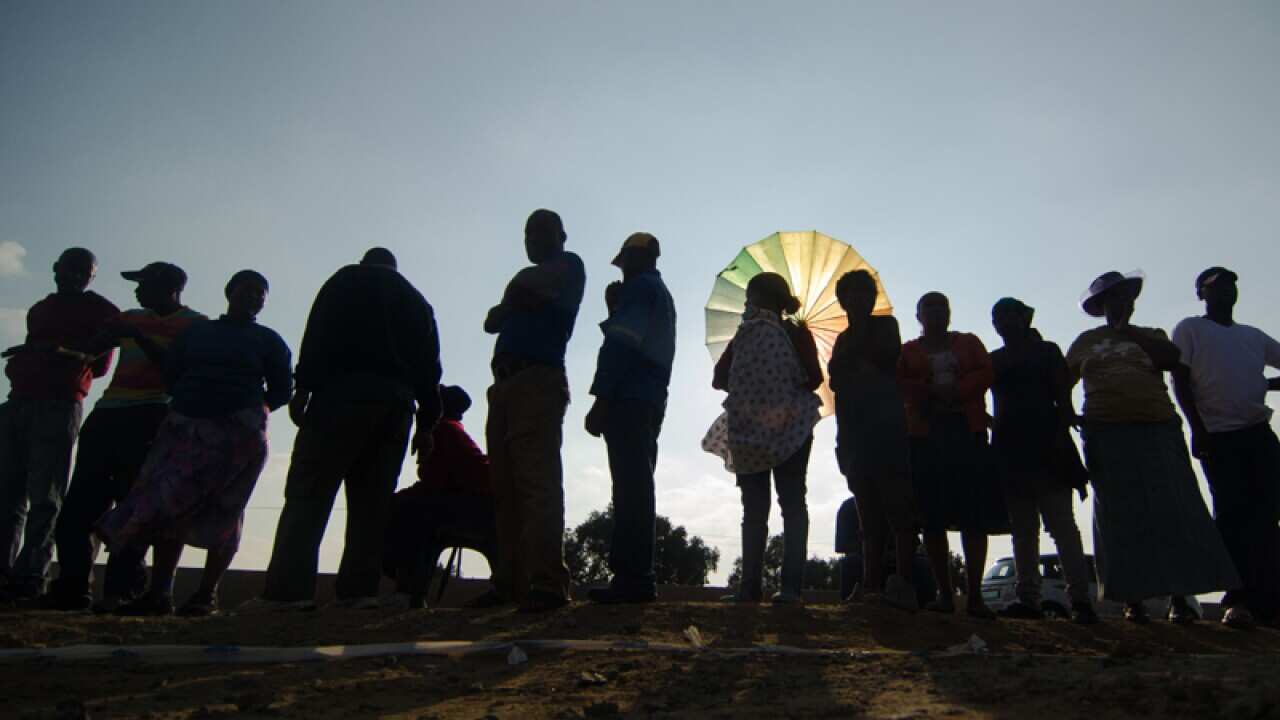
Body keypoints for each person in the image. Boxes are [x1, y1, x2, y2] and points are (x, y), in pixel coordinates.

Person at [251, 248, 441, 611]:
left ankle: (287, 593)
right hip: (396, 407)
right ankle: (358, 592)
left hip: (340, 397)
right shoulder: (416, 300)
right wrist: (427, 423)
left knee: (309, 494)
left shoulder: (345, 281)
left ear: (365, 262)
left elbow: (317, 334)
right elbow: (430, 368)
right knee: (372, 504)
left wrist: (303, 388)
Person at [94, 271, 291, 616]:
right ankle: (160, 592)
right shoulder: (198, 333)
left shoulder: (269, 341)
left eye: (260, 293)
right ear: (229, 292)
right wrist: (196, 404)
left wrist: (243, 411)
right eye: (247, 290)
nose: (253, 297)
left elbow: (281, 390)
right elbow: (173, 374)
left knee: (227, 509)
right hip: (186, 426)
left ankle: (205, 595)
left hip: (239, 436)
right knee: (171, 504)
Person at [1067, 270, 1238, 624]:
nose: (1119, 304)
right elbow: (1062, 380)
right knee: (1119, 514)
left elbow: (1170, 360)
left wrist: (1129, 332)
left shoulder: (1151, 335)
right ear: (1102, 305)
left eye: (1124, 297)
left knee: (1173, 508)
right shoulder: (1086, 341)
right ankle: (1133, 599)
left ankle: (1180, 597)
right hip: (1106, 431)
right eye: (1112, 299)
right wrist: (1068, 415)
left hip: (1157, 427)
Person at [40, 262, 205, 611]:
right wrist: (60, 353)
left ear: (169, 288)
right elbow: (91, 351)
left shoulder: (195, 326)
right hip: (107, 414)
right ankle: (72, 587)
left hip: (153, 416)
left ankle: (122, 591)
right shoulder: (128, 317)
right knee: (80, 505)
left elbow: (180, 371)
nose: (137, 291)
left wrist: (140, 337)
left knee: (134, 506)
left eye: (143, 284)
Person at [474, 209, 585, 613]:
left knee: (536, 482)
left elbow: (516, 299)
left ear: (562, 236)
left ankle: (547, 582)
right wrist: (515, 301)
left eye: (541, 232)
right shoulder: (532, 277)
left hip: (537, 380)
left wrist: (514, 300)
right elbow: (492, 321)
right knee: (504, 488)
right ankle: (510, 582)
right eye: (528, 234)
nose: (532, 239)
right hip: (505, 384)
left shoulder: (569, 264)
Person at [0, 249, 119, 602]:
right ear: (56, 269)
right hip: (19, 401)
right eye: (70, 269)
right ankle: (5, 574)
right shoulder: (41, 309)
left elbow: (99, 364)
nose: (75, 276)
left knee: (46, 495)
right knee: (8, 494)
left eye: (84, 271)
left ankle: (30, 576)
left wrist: (61, 353)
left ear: (91, 277)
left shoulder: (103, 311)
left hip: (59, 403)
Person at [703, 272, 822, 605]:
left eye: (749, 297)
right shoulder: (796, 333)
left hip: (748, 431)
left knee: (754, 510)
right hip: (792, 428)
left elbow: (719, 379)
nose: (746, 304)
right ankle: (791, 589)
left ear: (760, 298)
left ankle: (749, 588)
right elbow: (814, 378)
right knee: (793, 504)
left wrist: (751, 384)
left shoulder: (744, 334)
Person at [1171, 267, 1280, 629]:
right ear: (1201, 293)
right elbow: (1180, 380)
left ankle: (1268, 601)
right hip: (1218, 434)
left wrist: (1261, 385)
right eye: (1217, 286)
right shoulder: (1191, 328)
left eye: (1231, 284)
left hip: (1257, 432)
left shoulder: (1252, 336)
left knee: (1267, 513)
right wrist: (1197, 429)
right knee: (1232, 515)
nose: (1227, 290)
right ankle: (1237, 600)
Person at [989, 298, 1098, 625]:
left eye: (1008, 316)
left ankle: (1079, 600)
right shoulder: (997, 359)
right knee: (1025, 530)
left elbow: (1063, 399)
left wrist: (1062, 438)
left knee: (1060, 527)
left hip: (1047, 448)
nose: (1002, 322)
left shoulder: (1046, 352)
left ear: (1023, 318)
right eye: (998, 318)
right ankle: (1030, 599)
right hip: (1012, 452)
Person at [898, 292, 1006, 618]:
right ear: (918, 316)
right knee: (931, 517)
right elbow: (900, 383)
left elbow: (986, 373)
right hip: (924, 436)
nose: (936, 312)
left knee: (973, 515)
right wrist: (932, 391)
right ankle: (945, 593)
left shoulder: (969, 343)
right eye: (929, 307)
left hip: (966, 433)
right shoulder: (907, 351)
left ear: (949, 312)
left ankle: (974, 596)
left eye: (941, 306)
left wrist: (957, 391)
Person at [584, 232, 677, 604]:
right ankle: (634, 576)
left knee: (631, 487)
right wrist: (614, 310)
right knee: (636, 484)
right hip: (649, 398)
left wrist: (601, 399)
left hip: (630, 396)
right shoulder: (660, 293)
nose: (621, 271)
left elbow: (622, 344)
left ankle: (633, 577)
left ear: (636, 259)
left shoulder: (640, 289)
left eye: (624, 263)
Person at [826, 270, 919, 610]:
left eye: (864, 292)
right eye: (851, 293)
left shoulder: (885, 326)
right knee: (867, 512)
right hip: (854, 433)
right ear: (843, 300)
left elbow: (885, 358)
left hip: (887, 429)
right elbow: (836, 380)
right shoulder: (842, 340)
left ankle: (903, 583)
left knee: (898, 507)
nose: (858, 298)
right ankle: (871, 585)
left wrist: (856, 366)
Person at [383, 385, 495, 609]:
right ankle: (410, 589)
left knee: (410, 512)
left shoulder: (442, 430)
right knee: (411, 508)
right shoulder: (451, 430)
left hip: (472, 508)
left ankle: (408, 591)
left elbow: (436, 482)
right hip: (476, 504)